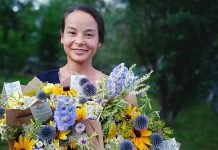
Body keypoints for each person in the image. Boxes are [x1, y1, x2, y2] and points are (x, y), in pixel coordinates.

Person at [36, 4, 137, 106]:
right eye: (72, 32)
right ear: (62, 37)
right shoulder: (40, 83)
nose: (79, 41)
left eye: (89, 34)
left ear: (99, 41)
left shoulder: (118, 90)